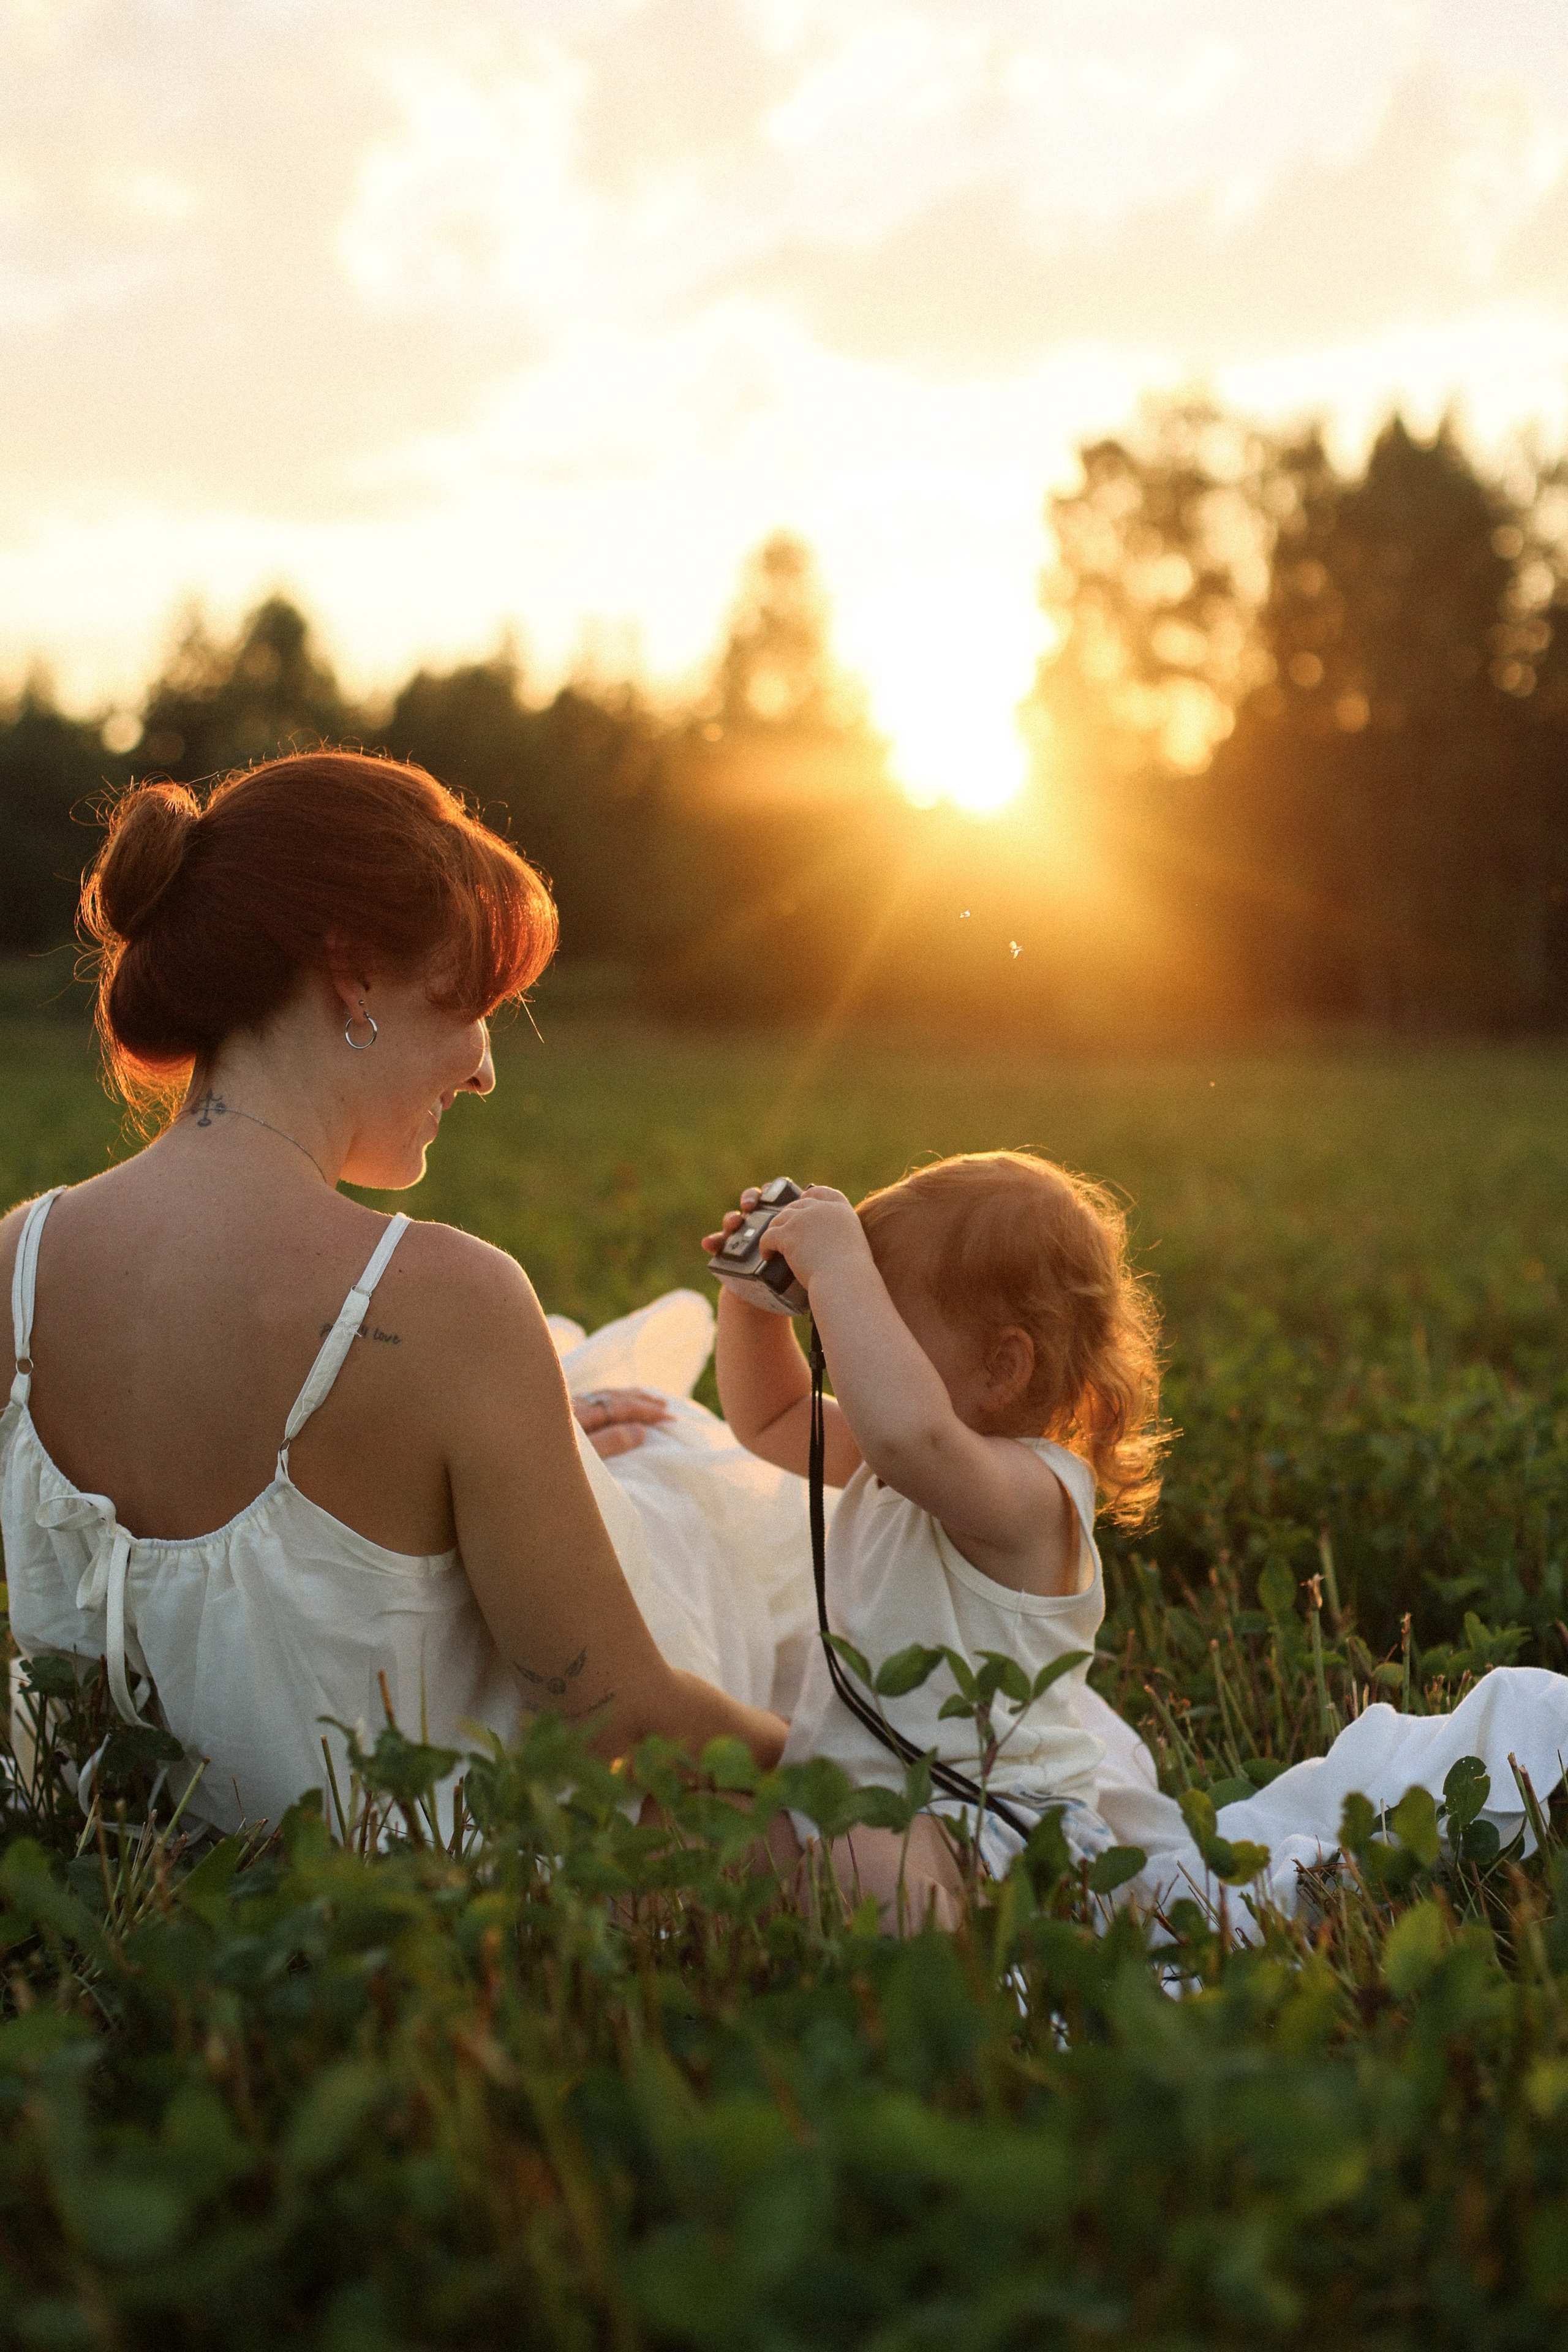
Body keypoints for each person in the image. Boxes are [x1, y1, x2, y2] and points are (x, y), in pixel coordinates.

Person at [0, 752, 785, 1839]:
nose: (484, 1071)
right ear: (353, 972)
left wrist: (529, 1454)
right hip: (410, 1946)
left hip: (111, 1893)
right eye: (469, 1003)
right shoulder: (444, 1302)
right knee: (711, 1510)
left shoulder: (18, 1263)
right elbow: (619, 1718)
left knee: (625, 1456)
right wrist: (858, 1769)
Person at [705, 1152, 1166, 1929]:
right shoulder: (906, 1462)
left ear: (1002, 1368)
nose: (848, 1330)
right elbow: (771, 1418)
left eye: (876, 1313)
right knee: (693, 1819)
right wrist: (754, 1300)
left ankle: (967, 2009)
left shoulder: (1030, 1493)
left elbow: (907, 1433)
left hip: (992, 1824)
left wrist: (841, 1263)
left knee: (864, 1859)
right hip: (850, 1802)